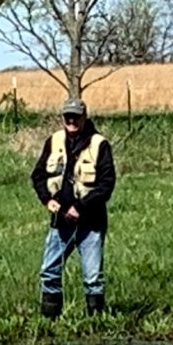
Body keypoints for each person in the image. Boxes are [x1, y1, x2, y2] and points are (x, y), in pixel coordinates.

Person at [31, 95, 116, 318]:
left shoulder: (99, 144)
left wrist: (80, 207)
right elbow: (38, 175)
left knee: (92, 279)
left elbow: (106, 184)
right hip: (60, 223)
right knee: (49, 272)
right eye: (68, 116)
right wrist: (46, 199)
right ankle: (50, 321)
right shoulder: (54, 141)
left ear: (84, 117)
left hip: (91, 222)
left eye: (76, 117)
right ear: (62, 118)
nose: (72, 121)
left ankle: (95, 323)